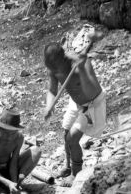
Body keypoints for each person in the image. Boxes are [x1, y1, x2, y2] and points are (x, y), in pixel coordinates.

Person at [43, 32, 105, 187]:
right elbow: (52, 90)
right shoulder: (54, 67)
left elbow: (91, 91)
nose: (53, 70)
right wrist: (49, 106)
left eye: (55, 67)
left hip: (92, 103)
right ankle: (68, 166)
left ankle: (76, 174)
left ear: (63, 58)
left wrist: (82, 70)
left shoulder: (81, 64)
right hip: (76, 101)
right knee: (66, 132)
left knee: (72, 138)